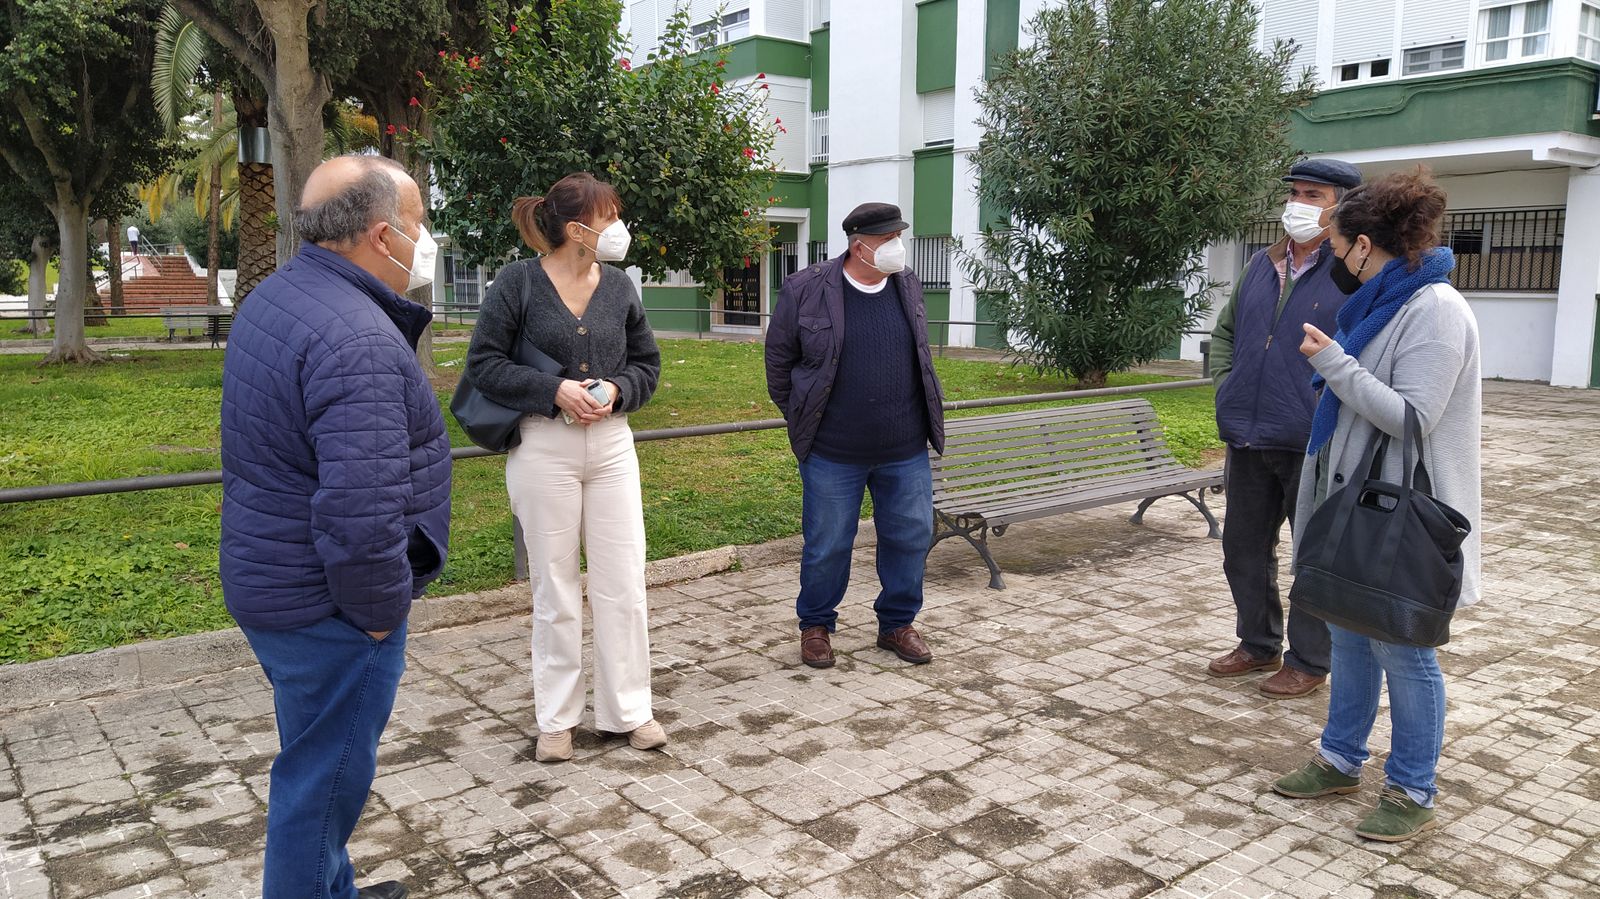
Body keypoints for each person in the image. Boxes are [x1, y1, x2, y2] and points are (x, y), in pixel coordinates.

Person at [220, 155, 452, 899]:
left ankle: (332, 890)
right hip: (330, 609)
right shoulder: (358, 339)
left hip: (276, 581)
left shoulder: (280, 296)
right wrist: (378, 615)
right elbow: (361, 511)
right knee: (321, 787)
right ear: (382, 235)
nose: (425, 239)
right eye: (418, 222)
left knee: (315, 759)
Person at [1272, 169, 1481, 842]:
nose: (1335, 258)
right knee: (1349, 631)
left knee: (1404, 651)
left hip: (1403, 513)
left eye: (1338, 247)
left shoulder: (1435, 309)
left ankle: (1413, 788)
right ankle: (1340, 758)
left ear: (1365, 245)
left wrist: (1335, 364)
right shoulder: (1385, 301)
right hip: (1357, 504)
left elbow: (1413, 416)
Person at [463, 172, 665, 763]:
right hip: (543, 446)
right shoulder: (517, 282)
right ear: (578, 230)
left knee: (623, 582)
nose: (619, 226)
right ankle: (557, 719)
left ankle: (629, 710)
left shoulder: (620, 285)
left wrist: (618, 390)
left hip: (611, 445)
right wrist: (553, 389)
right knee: (554, 587)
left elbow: (647, 364)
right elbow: (484, 364)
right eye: (610, 216)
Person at [765, 202, 946, 669]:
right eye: (887, 240)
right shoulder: (807, 288)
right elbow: (779, 362)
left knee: (910, 537)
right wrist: (802, 415)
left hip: (905, 448)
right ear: (859, 246)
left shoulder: (907, 283)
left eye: (899, 236)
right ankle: (816, 625)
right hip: (833, 451)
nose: (897, 247)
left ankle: (897, 623)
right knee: (827, 544)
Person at [1207, 159, 1361, 699]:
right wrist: (1226, 384)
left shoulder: (1352, 270)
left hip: (1312, 438)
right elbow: (1226, 333)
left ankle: (1309, 660)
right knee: (1242, 550)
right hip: (1247, 432)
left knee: (1313, 556)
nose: (1298, 203)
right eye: (1294, 193)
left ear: (1341, 206)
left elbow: (1364, 349)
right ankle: (1257, 643)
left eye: (1313, 195)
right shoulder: (1262, 263)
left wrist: (1326, 403)